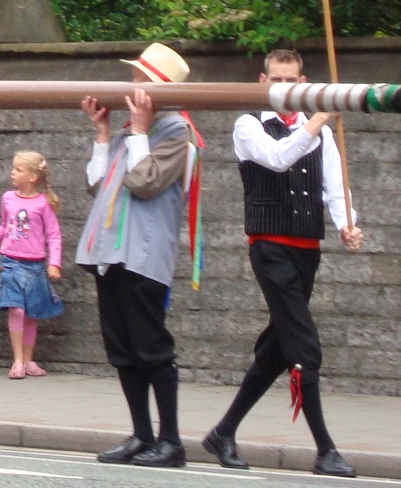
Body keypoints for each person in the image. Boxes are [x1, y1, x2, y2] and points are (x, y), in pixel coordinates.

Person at [201, 49, 362, 478]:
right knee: (304, 347)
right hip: (270, 247)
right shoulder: (249, 124)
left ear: (303, 80)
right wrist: (313, 123)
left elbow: (334, 184)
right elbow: (277, 158)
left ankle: (223, 432)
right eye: (277, 80)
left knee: (276, 351)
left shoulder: (321, 133)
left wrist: (347, 225)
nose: (285, 88)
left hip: (307, 249)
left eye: (292, 80)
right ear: (263, 80)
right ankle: (326, 450)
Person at [75, 42, 203, 469]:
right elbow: (98, 185)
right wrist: (104, 135)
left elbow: (143, 181)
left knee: (151, 348)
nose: (130, 85)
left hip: (143, 255)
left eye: (138, 79)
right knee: (123, 350)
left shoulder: (177, 133)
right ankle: (142, 435)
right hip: (110, 251)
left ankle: (170, 441)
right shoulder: (134, 130)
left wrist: (140, 133)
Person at [0, 150, 63, 379]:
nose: (12, 173)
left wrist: (54, 263)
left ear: (32, 176)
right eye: (13, 168)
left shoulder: (43, 203)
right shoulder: (8, 198)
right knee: (16, 309)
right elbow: (5, 226)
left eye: (18, 169)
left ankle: (29, 360)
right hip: (10, 262)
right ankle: (17, 359)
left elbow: (54, 235)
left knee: (30, 313)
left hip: (35, 265)